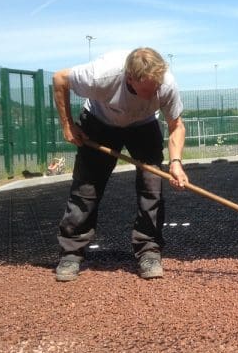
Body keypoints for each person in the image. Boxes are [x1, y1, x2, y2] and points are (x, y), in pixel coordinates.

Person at [52, 47, 189, 282]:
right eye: (145, 90)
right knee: (86, 189)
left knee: (152, 186)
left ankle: (149, 252)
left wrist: (176, 162)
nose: (151, 94)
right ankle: (71, 253)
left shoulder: (166, 84)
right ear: (129, 78)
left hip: (144, 125)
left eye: (154, 89)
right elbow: (59, 79)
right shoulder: (101, 75)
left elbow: (176, 125)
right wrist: (67, 126)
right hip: (99, 122)